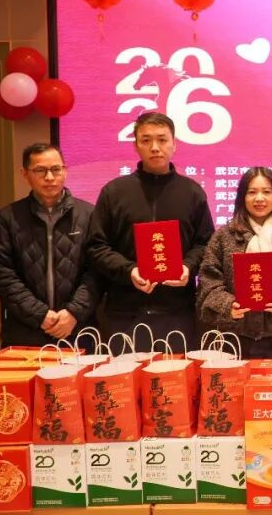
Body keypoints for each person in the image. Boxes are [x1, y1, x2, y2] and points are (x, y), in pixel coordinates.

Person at [87, 112, 214, 352]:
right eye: (146, 140)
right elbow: (97, 246)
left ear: (174, 144)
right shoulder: (114, 192)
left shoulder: (192, 192)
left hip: (178, 312)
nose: (155, 147)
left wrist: (188, 267)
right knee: (124, 376)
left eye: (162, 139)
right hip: (124, 313)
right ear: (136, 145)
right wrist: (129, 271)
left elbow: (206, 243)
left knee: (177, 376)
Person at [0, 143, 100, 346]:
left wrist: (73, 312)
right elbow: (3, 277)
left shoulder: (90, 215)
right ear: (25, 174)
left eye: (56, 169)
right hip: (25, 332)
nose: (49, 177)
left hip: (78, 330)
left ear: (65, 171)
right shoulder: (7, 219)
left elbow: (96, 272)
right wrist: (40, 315)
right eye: (40, 170)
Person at [197, 167, 272, 358]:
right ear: (242, 197)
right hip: (234, 335)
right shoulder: (224, 236)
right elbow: (208, 281)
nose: (259, 198)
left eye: (266, 192)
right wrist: (228, 305)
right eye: (252, 192)